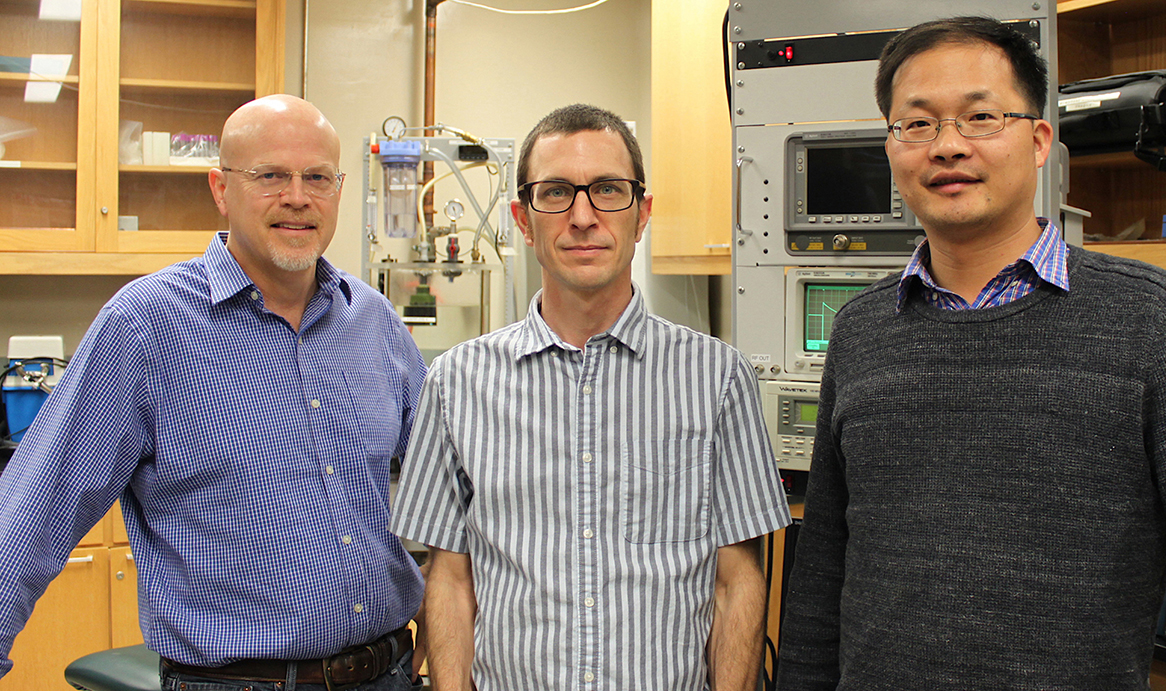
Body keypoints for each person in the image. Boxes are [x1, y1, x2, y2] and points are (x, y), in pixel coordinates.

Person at [775, 15, 1166, 690]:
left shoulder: (1154, 320)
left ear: (1040, 140)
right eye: (918, 123)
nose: (948, 145)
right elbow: (824, 570)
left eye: (980, 116)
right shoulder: (862, 330)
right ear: (891, 147)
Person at [0, 95, 428, 690]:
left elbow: (448, 494)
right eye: (270, 176)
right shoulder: (147, 324)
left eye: (317, 178)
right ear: (220, 189)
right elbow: (30, 515)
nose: (297, 197)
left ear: (339, 188)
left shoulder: (373, 321)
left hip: (387, 673)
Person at [390, 103, 791, 691]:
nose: (582, 217)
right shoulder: (456, 383)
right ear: (522, 220)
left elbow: (738, 579)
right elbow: (449, 576)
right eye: (555, 193)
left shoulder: (717, 378)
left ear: (642, 213)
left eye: (607, 189)